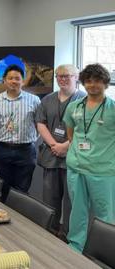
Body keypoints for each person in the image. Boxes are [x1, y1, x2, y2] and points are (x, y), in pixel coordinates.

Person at [63, 63, 115, 252]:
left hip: (103, 170)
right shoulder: (74, 107)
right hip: (76, 167)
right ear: (83, 83)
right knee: (78, 210)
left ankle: (105, 250)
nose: (93, 85)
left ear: (106, 83)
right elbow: (71, 134)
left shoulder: (113, 108)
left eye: (98, 81)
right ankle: (76, 245)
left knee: (105, 213)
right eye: (89, 81)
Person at [35, 64, 85, 238]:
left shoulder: (84, 100)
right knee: (50, 199)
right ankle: (50, 232)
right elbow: (40, 123)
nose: (62, 79)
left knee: (72, 201)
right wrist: (54, 145)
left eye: (67, 76)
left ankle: (70, 235)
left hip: (73, 157)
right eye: (59, 76)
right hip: (51, 155)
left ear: (76, 77)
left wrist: (66, 146)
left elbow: (85, 130)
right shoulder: (47, 99)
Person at [0, 64, 40, 202]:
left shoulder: (34, 100)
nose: (14, 81)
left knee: (22, 189)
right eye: (10, 78)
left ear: (23, 81)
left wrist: (33, 139)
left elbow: (40, 124)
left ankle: (21, 220)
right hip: (2, 148)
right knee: (4, 186)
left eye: (17, 78)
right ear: (4, 80)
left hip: (25, 150)